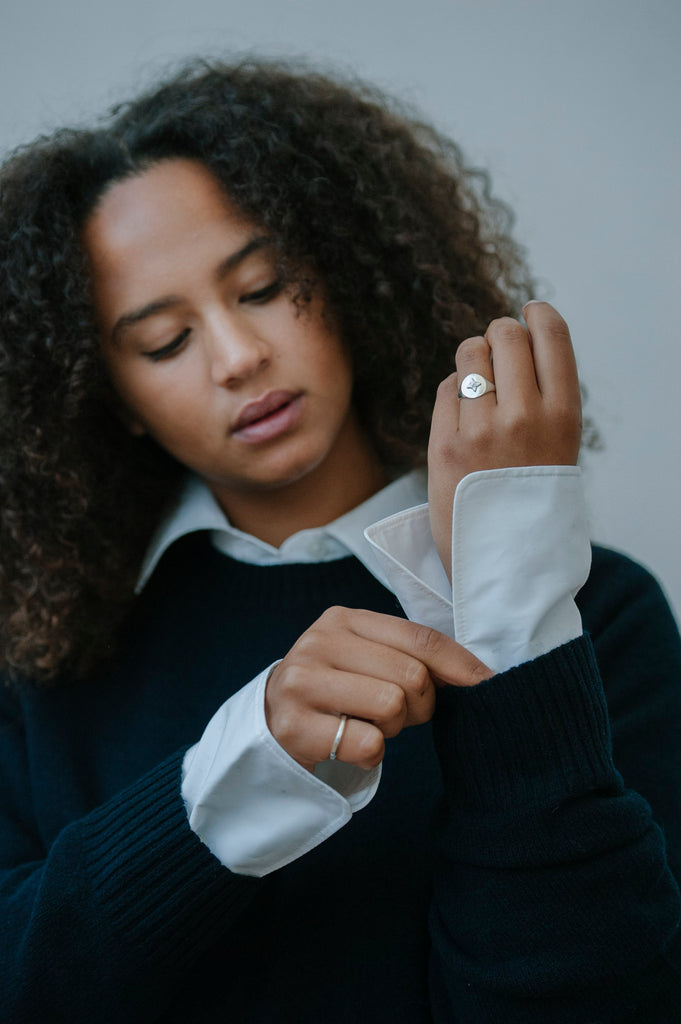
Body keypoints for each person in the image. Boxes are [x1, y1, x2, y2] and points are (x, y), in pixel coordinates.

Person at [0, 58, 680, 1024]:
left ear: (348, 269)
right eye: (163, 343)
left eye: (266, 286)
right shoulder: (46, 659)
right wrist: (235, 778)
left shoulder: (597, 616)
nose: (239, 359)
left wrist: (516, 623)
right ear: (112, 399)